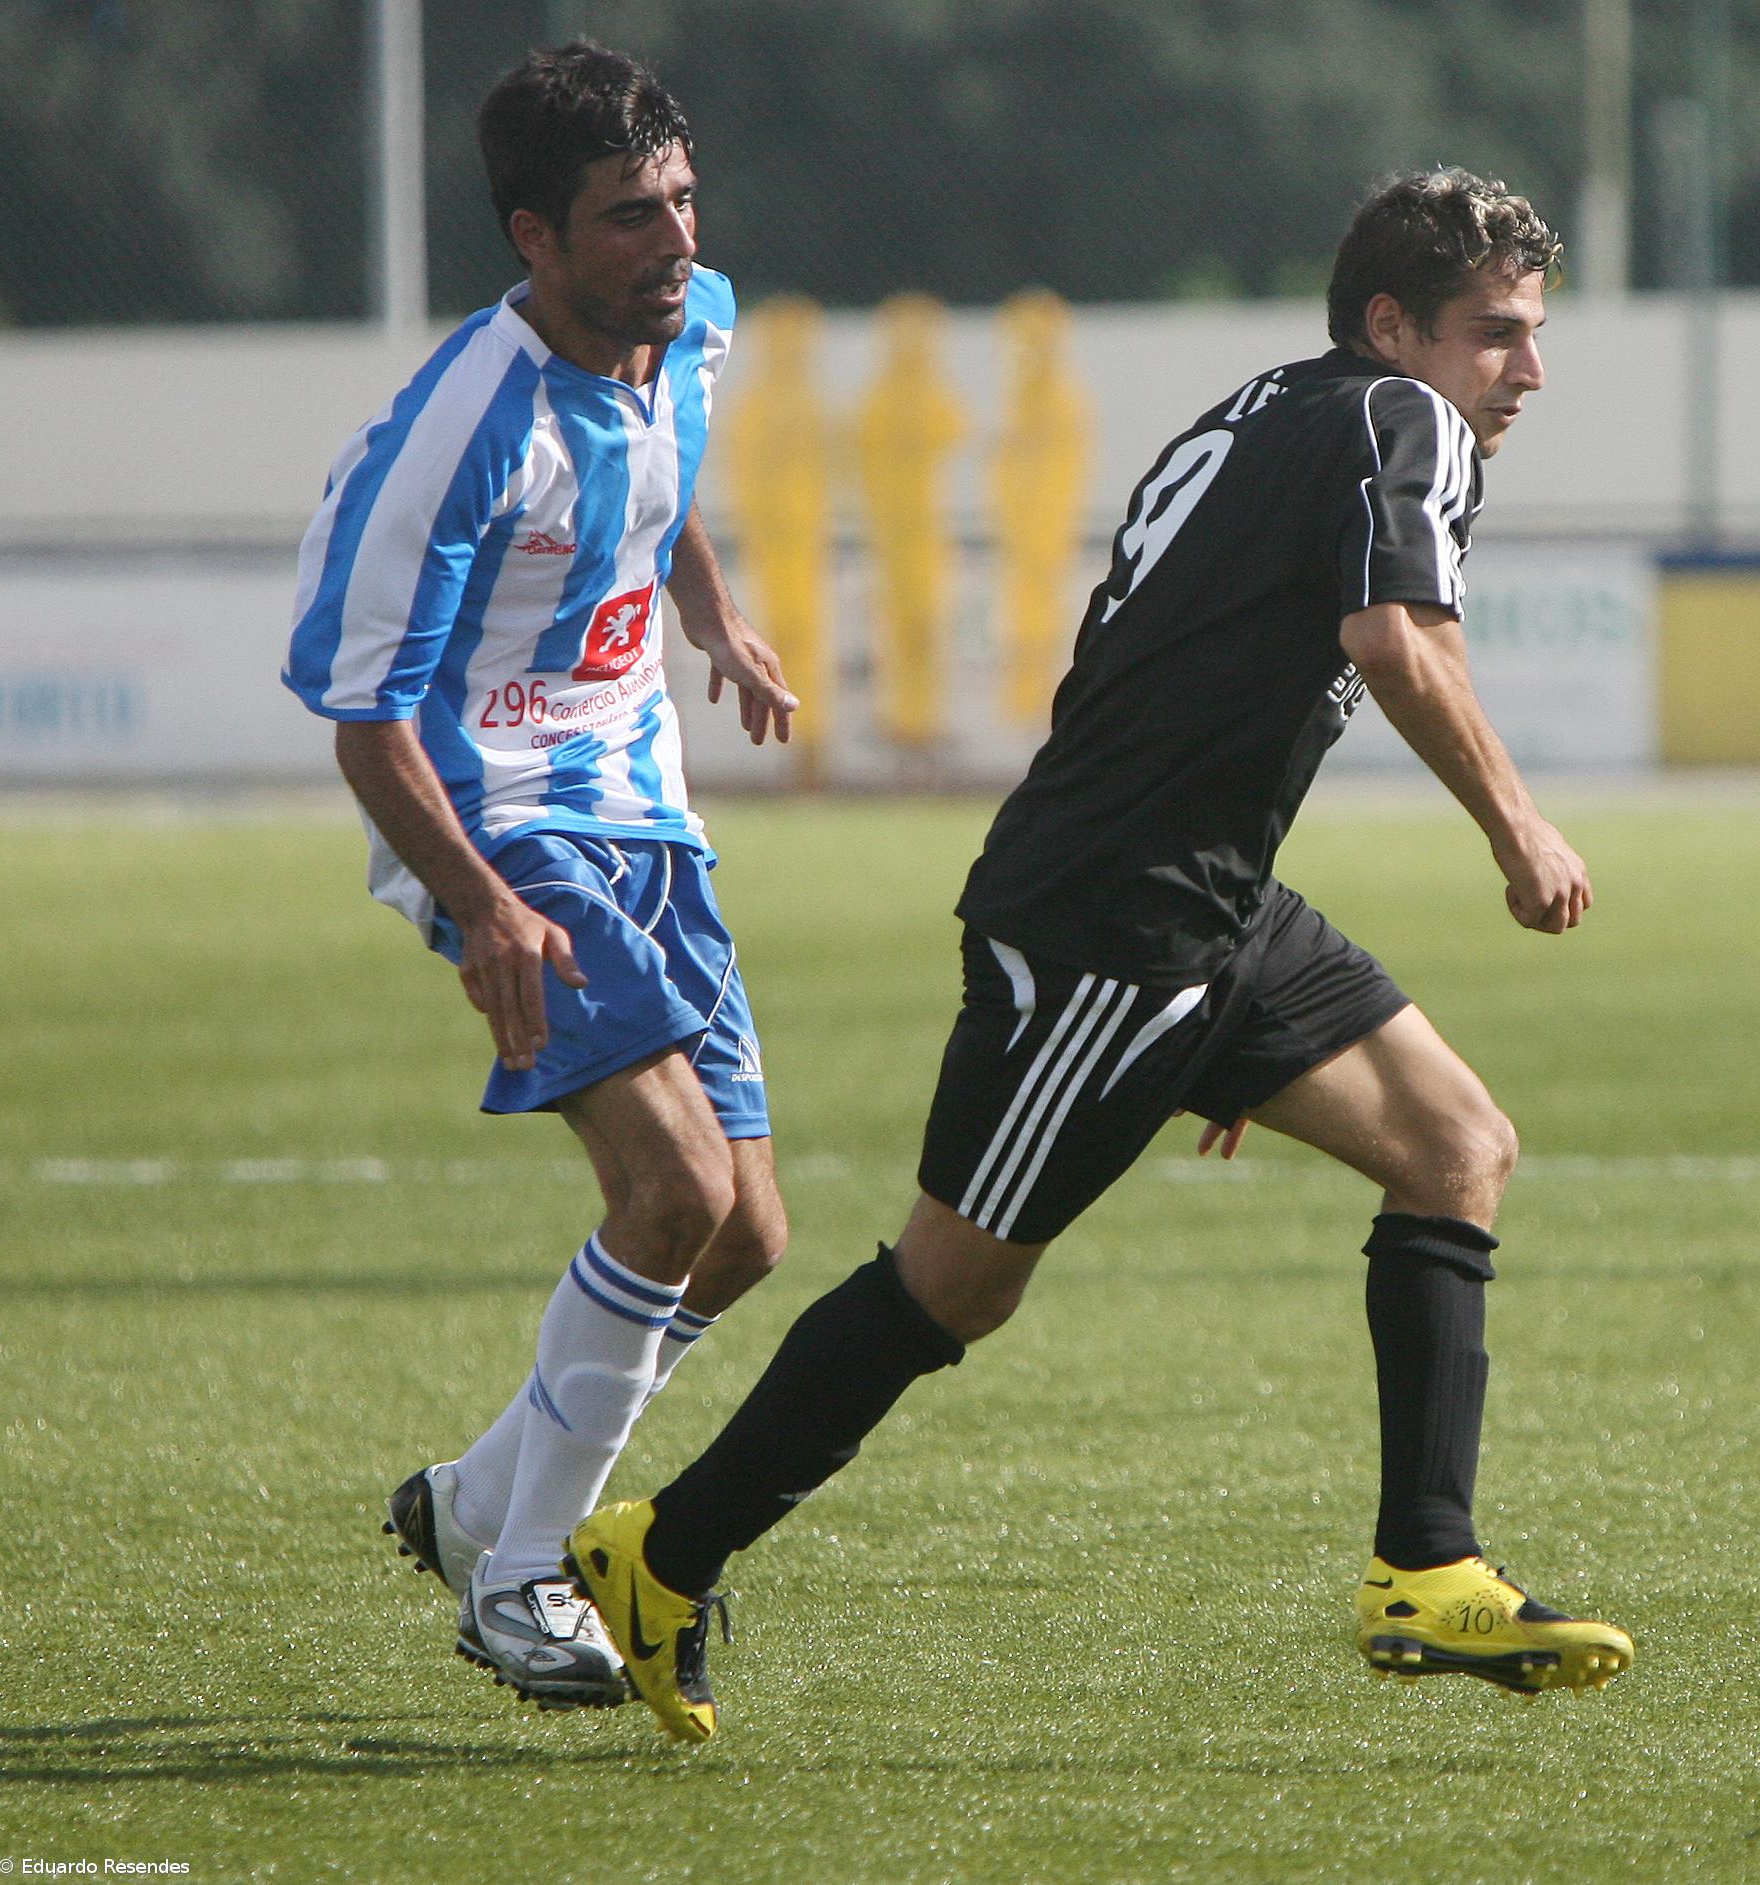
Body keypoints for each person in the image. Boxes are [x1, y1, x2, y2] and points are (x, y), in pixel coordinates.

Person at [567, 167, 1633, 1743]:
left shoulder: (1291, 407)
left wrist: (1219, 1020)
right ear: (1394, 324)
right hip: (1108, 927)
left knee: (1453, 1143)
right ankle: (660, 1550)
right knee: (955, 1286)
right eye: (1497, 336)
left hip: (1198, 910)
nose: (1526, 371)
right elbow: (1391, 642)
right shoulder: (1393, 424)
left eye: (1535, 337)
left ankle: (1427, 1565)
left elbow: (1201, 653)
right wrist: (1517, 828)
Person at [280, 42, 798, 1710]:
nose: (670, 238)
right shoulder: (463, 430)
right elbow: (364, 719)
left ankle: (471, 1502)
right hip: (494, 807)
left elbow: (665, 477)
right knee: (671, 1193)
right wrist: (485, 899)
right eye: (626, 217)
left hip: (640, 801)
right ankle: (525, 1581)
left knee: (746, 1236)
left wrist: (710, 612)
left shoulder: (691, 319)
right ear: (533, 236)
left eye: (680, 198)